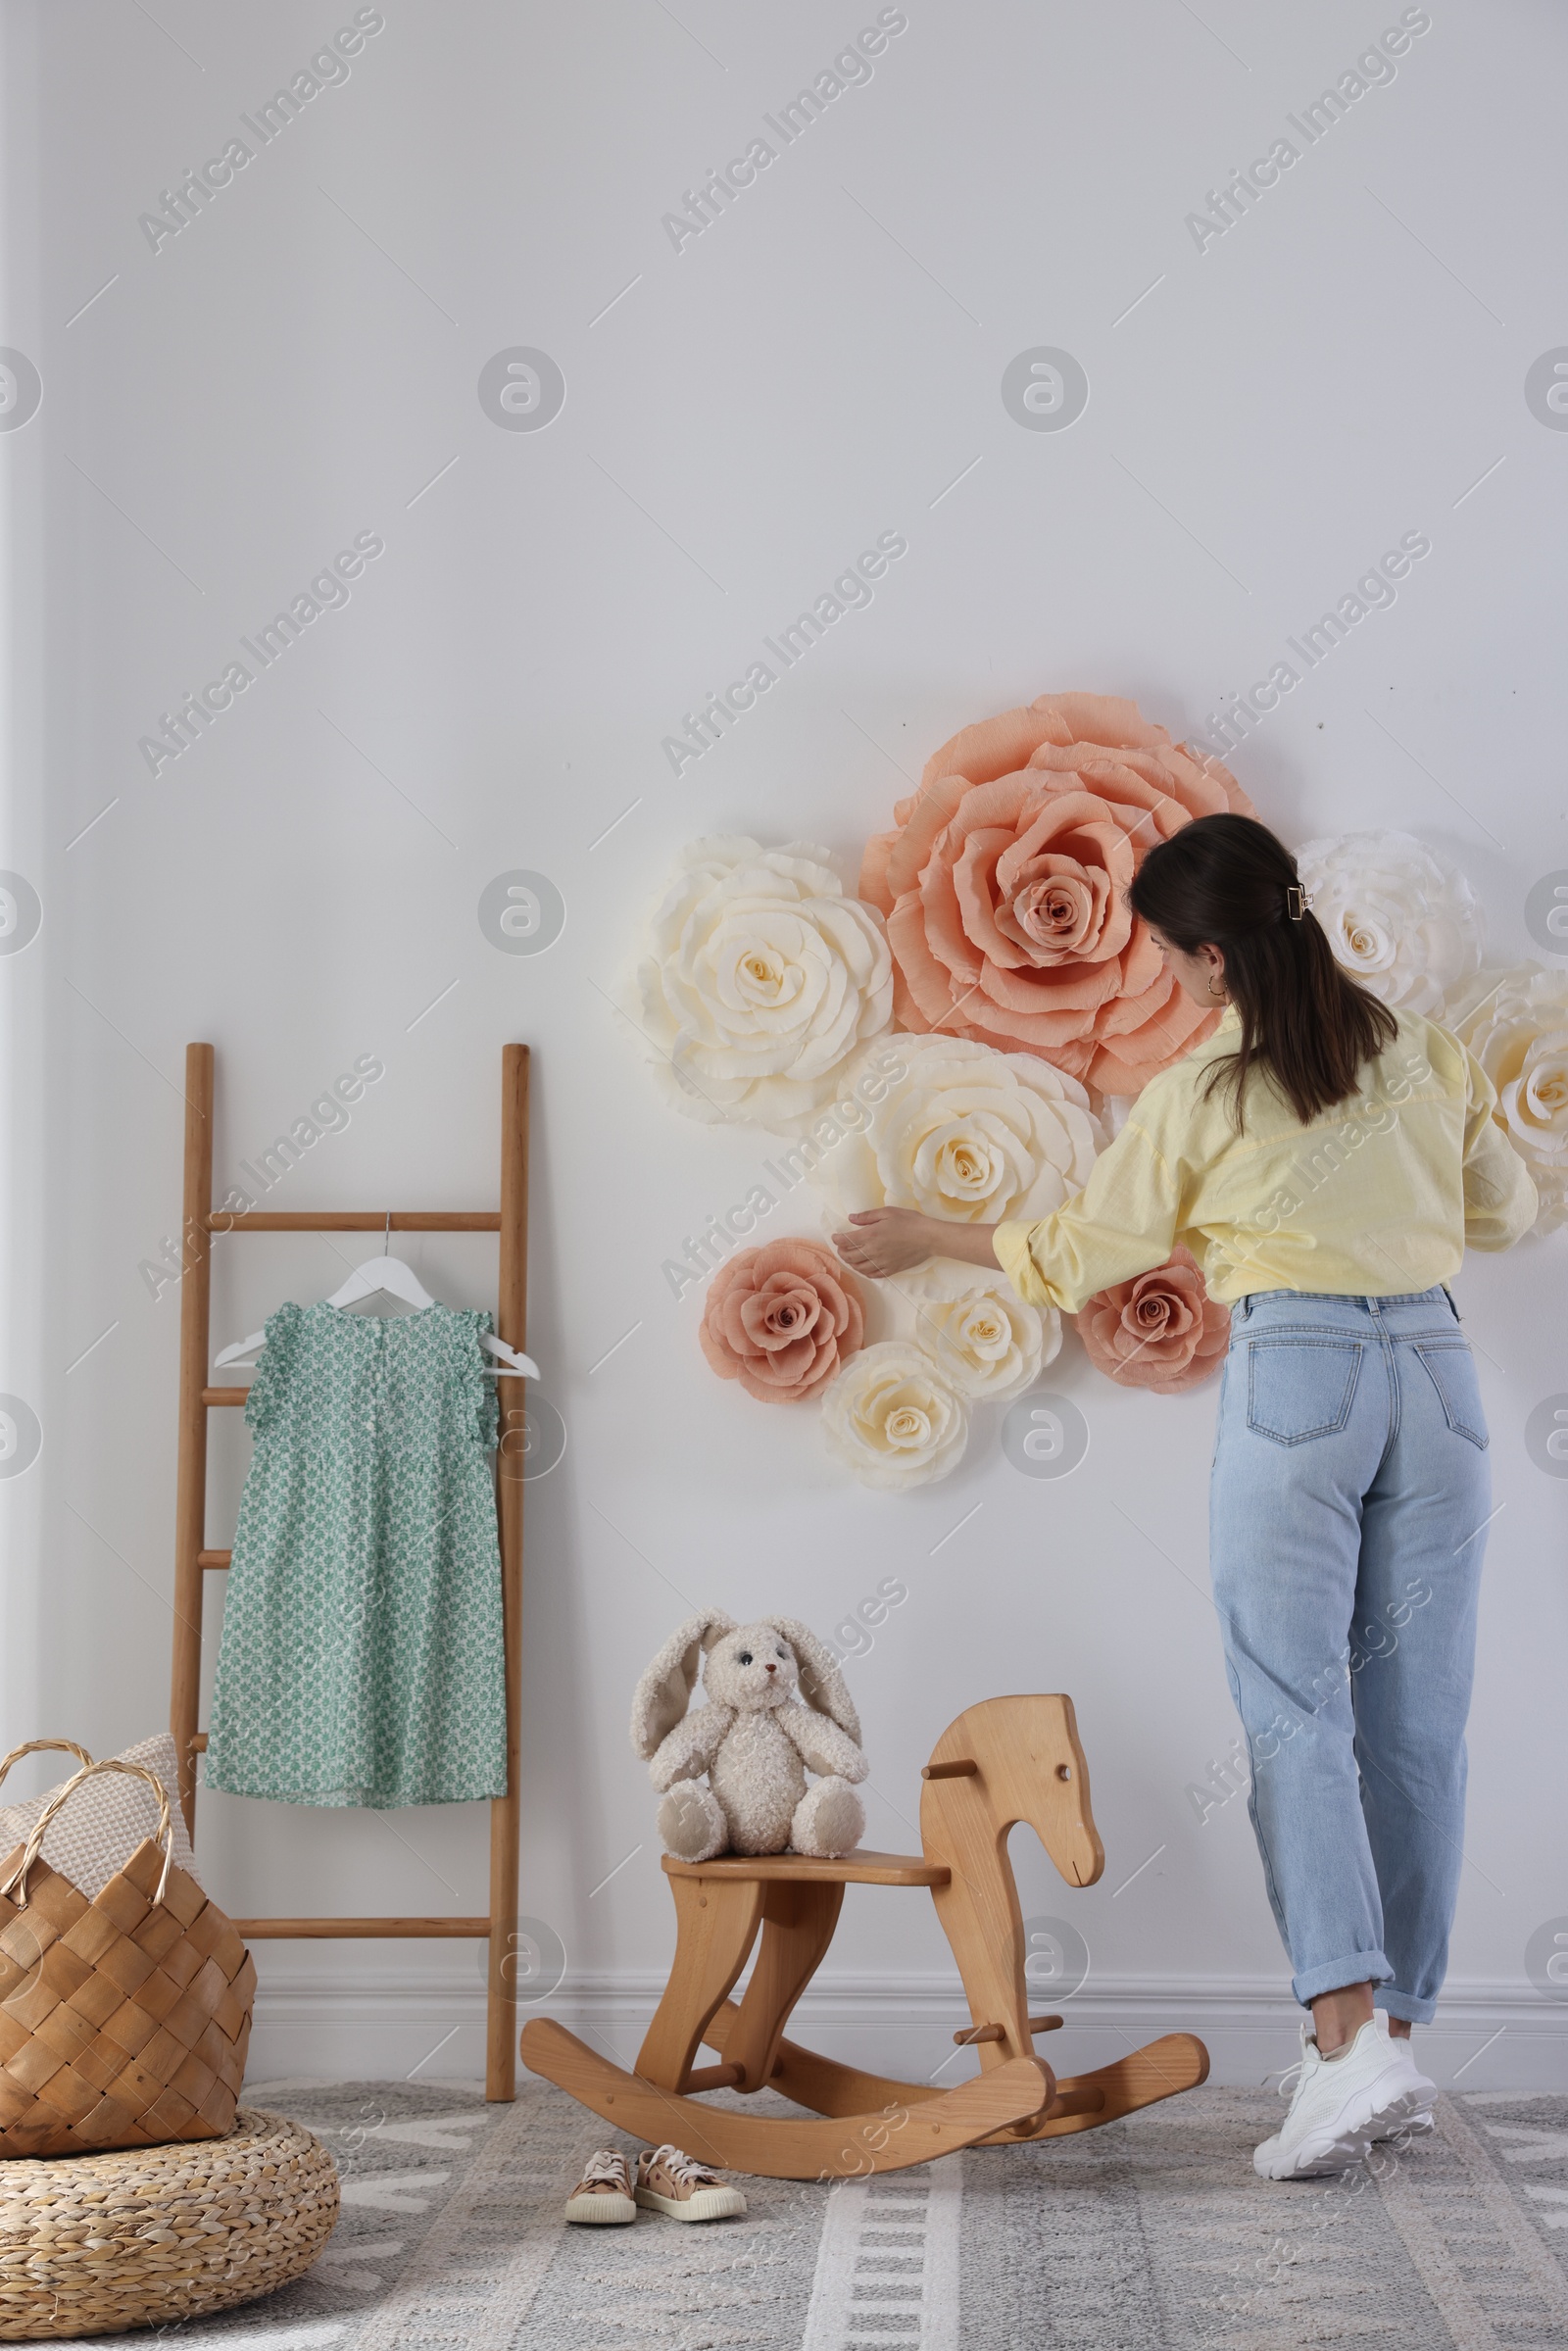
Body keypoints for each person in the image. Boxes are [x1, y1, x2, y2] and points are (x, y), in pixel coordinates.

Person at [833, 811, 1536, 2180]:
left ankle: (1342, 2044)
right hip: (1439, 1382)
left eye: (1167, 956)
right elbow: (1501, 1213)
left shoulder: (1205, 1085)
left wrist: (929, 1233)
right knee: (1419, 1724)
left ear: (1211, 955)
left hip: (1302, 1376)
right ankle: (1386, 2033)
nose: (1166, 978)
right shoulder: (1414, 1043)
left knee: (1293, 1713)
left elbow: (1084, 1252)